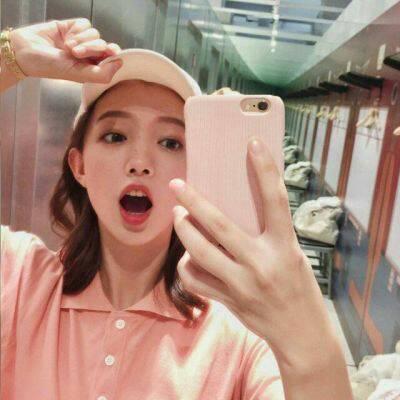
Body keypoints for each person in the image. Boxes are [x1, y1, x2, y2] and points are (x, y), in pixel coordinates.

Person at [0, 18, 353, 400]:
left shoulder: (238, 338)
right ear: (79, 165)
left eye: (170, 143)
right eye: (115, 136)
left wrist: (308, 342)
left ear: (195, 171)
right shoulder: (20, 281)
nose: (140, 162)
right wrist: (10, 55)